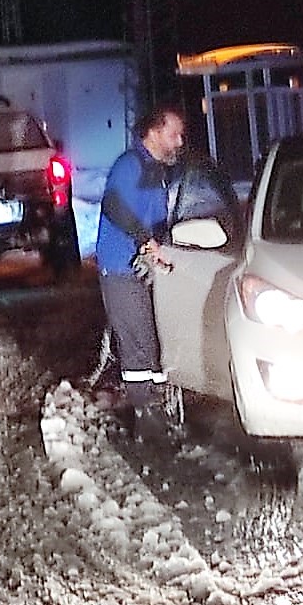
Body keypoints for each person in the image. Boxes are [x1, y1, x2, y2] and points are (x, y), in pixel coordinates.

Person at [95, 104, 186, 412]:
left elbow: (156, 219)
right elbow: (114, 206)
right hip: (121, 268)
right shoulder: (129, 165)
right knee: (138, 346)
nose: (179, 142)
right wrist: (145, 242)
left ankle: (159, 410)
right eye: (174, 135)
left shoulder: (156, 171)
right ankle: (148, 421)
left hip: (144, 269)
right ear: (154, 132)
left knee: (152, 340)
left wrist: (165, 245)